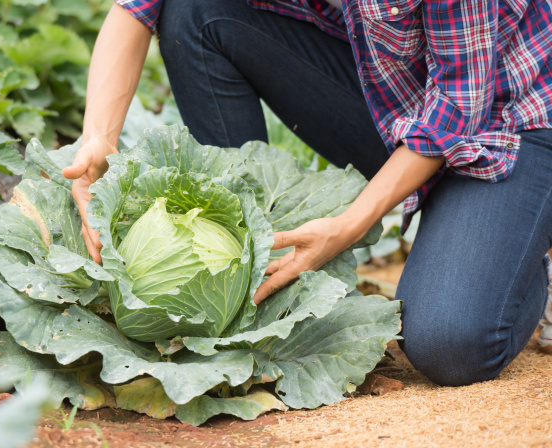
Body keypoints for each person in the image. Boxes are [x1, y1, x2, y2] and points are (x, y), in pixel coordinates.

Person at [62, 0, 552, 385]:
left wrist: (347, 226)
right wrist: (98, 139)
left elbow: (457, 108)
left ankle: (524, 243)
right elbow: (136, 6)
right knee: (197, 10)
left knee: (448, 345)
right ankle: (253, 279)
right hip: (394, 93)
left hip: (510, 120)